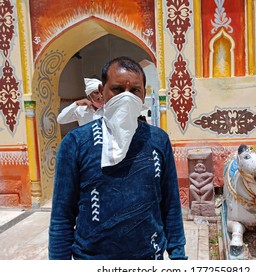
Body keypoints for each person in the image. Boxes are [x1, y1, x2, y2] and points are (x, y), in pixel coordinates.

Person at [49, 56, 187, 260]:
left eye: (134, 91)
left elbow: (171, 206)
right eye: (118, 89)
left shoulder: (158, 140)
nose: (126, 97)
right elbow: (62, 217)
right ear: (102, 92)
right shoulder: (76, 143)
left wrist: (178, 257)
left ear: (143, 95)